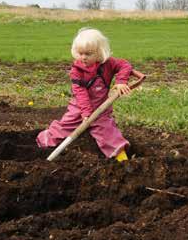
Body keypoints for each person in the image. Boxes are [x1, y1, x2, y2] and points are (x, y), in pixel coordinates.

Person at [37, 27, 134, 162]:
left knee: (109, 133)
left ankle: (123, 160)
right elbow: (80, 93)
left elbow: (125, 65)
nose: (83, 57)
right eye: (80, 53)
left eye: (88, 54)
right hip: (79, 108)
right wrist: (86, 114)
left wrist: (121, 81)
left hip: (101, 110)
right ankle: (42, 144)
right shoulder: (77, 71)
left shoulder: (108, 64)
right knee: (64, 128)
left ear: (99, 53)